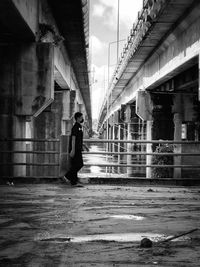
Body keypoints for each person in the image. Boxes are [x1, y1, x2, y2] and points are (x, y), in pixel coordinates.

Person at [63, 112, 89, 187]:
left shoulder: (79, 126)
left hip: (78, 148)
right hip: (75, 149)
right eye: (81, 117)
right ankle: (69, 178)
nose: (82, 119)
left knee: (77, 164)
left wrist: (84, 145)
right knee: (78, 164)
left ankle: (72, 180)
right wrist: (73, 150)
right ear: (78, 118)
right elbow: (73, 139)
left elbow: (79, 139)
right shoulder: (75, 127)